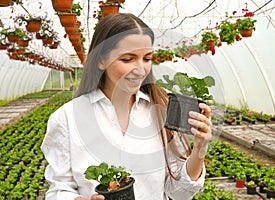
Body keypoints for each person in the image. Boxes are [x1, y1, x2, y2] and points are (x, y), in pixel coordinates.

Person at [41, 13, 212, 200]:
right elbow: (59, 189)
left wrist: (199, 150)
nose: (140, 69)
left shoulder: (162, 109)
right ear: (101, 60)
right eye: (128, 59)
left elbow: (179, 192)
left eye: (146, 58)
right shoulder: (67, 118)